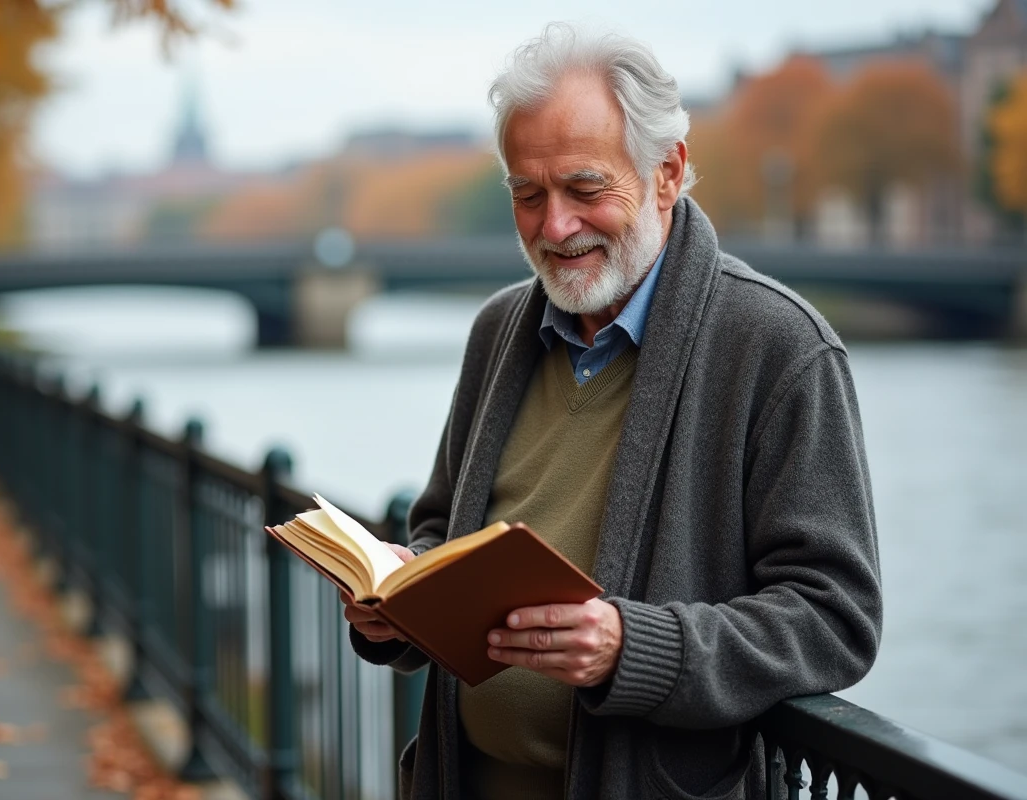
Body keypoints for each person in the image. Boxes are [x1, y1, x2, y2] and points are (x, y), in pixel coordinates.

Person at [344, 23, 882, 800]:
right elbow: (440, 533)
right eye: (527, 195)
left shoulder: (779, 345)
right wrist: (399, 602)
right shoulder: (498, 329)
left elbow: (835, 618)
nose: (554, 226)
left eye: (585, 190)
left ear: (668, 173)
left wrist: (635, 648)